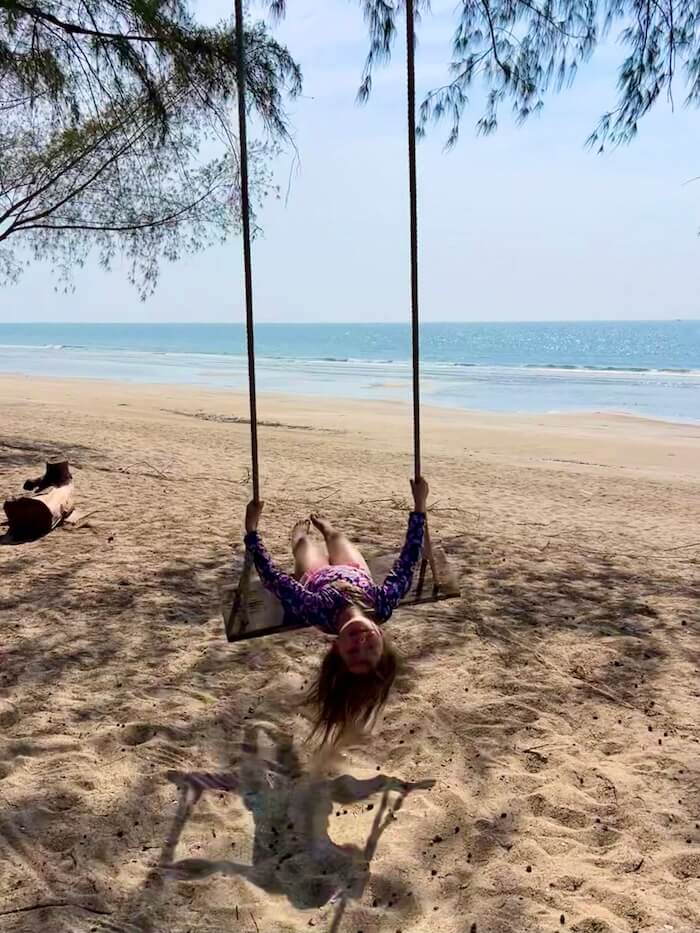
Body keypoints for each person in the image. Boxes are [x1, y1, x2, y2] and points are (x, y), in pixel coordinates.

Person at [243, 477, 429, 744]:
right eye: (370, 648)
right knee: (337, 537)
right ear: (381, 636)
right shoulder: (383, 602)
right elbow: (408, 558)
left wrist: (251, 529)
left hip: (317, 577)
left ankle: (299, 537)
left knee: (306, 547)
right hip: (353, 572)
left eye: (352, 651)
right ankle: (328, 530)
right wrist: (420, 504)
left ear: (336, 647)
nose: (360, 641)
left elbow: (272, 578)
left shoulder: (315, 609)